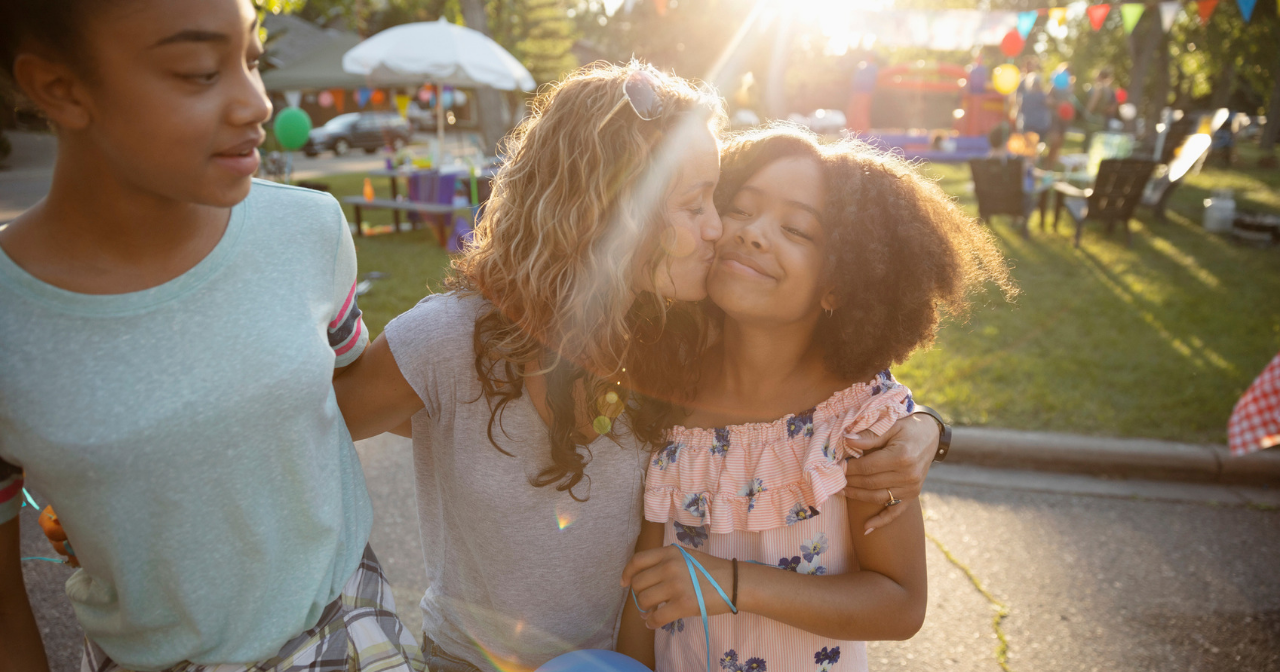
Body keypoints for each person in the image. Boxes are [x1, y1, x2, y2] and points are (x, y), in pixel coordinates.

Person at [333, 63, 946, 672]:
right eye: (701, 204)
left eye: (717, 200)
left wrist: (928, 429)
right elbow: (306, 429)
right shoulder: (455, 342)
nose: (721, 230)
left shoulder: (669, 351)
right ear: (612, 212)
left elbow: (806, 395)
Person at [0, 2, 423, 671]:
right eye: (199, 71)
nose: (256, 102)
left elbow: (346, 392)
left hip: (342, 630)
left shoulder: (308, 230)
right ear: (59, 87)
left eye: (252, 60)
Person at [618, 125, 1015, 670]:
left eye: (798, 230)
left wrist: (733, 583)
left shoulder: (862, 424)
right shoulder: (667, 393)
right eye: (739, 208)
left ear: (839, 283)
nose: (754, 234)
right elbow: (644, 595)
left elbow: (901, 604)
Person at [1012, 57, 1051, 165]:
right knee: (1034, 148)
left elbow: (1018, 106)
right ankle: (1031, 165)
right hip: (1038, 125)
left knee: (1027, 148)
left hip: (1028, 123)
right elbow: (1050, 103)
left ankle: (1027, 166)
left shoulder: (1025, 96)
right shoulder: (1042, 95)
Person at [1083, 68, 1119, 151]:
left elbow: (1093, 103)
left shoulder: (1099, 88)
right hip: (1102, 119)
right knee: (1098, 144)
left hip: (1094, 119)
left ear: (1100, 76)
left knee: (1089, 143)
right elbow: (1113, 107)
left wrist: (1086, 113)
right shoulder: (1110, 90)